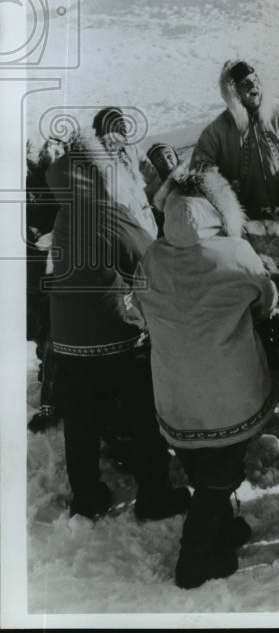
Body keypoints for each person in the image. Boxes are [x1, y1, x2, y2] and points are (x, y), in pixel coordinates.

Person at [133, 165, 279, 589]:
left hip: (174, 392)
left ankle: (221, 529)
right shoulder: (235, 253)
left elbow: (139, 310)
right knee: (220, 476)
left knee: (200, 464)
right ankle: (193, 560)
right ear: (220, 210)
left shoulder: (154, 256)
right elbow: (266, 301)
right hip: (229, 391)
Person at [45, 129, 189, 521]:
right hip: (114, 334)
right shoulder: (107, 211)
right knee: (143, 414)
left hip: (67, 338)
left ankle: (87, 498)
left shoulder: (64, 212)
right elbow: (149, 256)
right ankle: (155, 493)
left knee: (80, 423)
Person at [191, 60, 279, 219]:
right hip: (247, 219)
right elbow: (200, 168)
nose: (253, 86)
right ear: (233, 92)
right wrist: (226, 192)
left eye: (255, 80)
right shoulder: (217, 131)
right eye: (245, 83)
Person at [26, 137, 65, 433]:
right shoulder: (33, 180)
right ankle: (50, 392)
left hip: (64, 267)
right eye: (49, 149)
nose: (54, 152)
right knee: (46, 332)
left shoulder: (70, 178)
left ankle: (52, 398)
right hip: (37, 270)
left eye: (59, 148)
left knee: (57, 331)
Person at [92, 106, 158, 237]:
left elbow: (152, 176)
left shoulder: (132, 149)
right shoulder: (96, 154)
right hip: (118, 214)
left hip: (143, 209)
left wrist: (151, 199)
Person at [145, 142, 181, 235]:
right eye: (159, 159)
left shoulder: (195, 176)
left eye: (169, 156)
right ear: (153, 166)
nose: (166, 161)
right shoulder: (153, 197)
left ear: (176, 156)